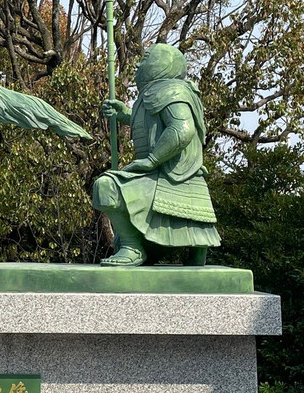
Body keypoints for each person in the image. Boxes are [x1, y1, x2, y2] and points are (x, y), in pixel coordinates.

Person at [92, 43, 220, 266]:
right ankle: (139, 245)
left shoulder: (172, 90)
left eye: (147, 58)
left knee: (106, 186)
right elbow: (153, 122)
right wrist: (125, 115)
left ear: (162, 63)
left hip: (166, 172)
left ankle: (132, 247)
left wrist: (151, 161)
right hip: (155, 172)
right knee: (106, 187)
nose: (140, 63)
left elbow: (182, 129)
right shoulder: (156, 92)